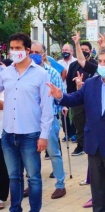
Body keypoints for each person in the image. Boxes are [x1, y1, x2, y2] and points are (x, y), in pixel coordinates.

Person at [48, 47, 105, 212]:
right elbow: (75, 99)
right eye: (100, 61)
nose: (102, 65)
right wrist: (60, 96)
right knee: (98, 194)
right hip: (95, 146)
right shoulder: (91, 84)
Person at [0, 33, 53, 212]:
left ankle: (34, 210)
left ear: (27, 50)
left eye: (18, 48)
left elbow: (46, 107)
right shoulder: (6, 73)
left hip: (30, 135)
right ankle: (15, 208)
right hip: (8, 134)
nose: (14, 52)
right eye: (11, 48)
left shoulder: (41, 74)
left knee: (34, 178)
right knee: (14, 177)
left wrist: (43, 136)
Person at [29, 41, 67, 199]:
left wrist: (60, 108)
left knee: (53, 153)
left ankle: (60, 185)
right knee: (30, 154)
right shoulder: (25, 72)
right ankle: (32, 185)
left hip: (49, 120)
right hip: (30, 120)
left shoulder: (52, 73)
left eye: (37, 52)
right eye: (31, 51)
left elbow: (61, 97)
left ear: (44, 55)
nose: (34, 55)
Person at [67, 32, 98, 156]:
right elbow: (69, 82)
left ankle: (92, 143)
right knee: (79, 122)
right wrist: (69, 99)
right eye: (81, 49)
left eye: (86, 50)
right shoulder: (73, 65)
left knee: (92, 122)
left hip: (92, 100)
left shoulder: (96, 65)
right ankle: (81, 145)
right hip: (78, 98)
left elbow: (83, 61)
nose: (83, 51)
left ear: (90, 51)